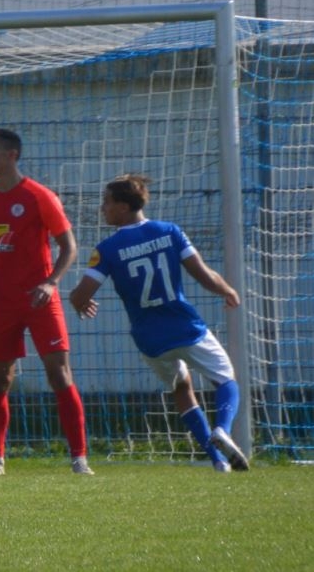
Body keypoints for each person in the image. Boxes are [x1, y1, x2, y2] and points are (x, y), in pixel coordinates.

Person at [68, 174, 249, 472]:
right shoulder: (170, 232)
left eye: (107, 202)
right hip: (185, 327)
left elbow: (79, 296)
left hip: (149, 340)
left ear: (124, 206)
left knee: (182, 388)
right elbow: (203, 275)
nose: (103, 208)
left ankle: (217, 460)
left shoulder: (107, 249)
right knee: (226, 379)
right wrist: (227, 290)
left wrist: (80, 302)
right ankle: (223, 430)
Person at [0, 128, 91, 475]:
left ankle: (79, 458)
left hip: (40, 301)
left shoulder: (39, 196)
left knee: (59, 374)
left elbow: (69, 246)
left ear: (11, 155)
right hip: (1, 303)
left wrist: (51, 283)